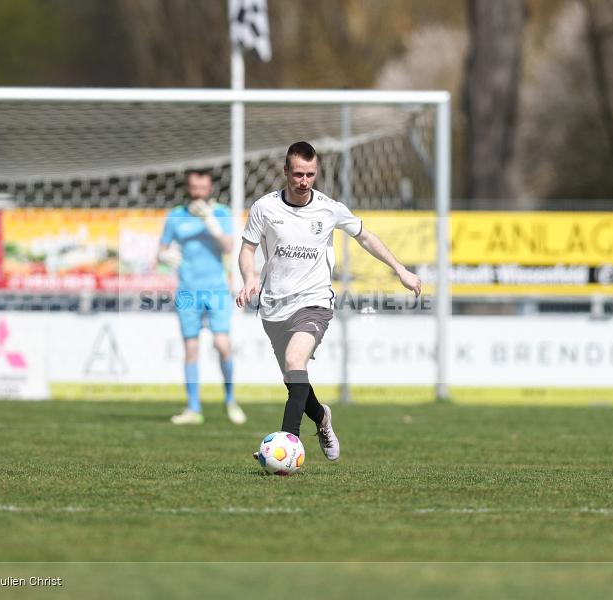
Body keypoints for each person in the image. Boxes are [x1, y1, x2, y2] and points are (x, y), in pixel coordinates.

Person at [236, 141, 421, 461]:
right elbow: (247, 249)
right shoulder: (264, 208)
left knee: (296, 361)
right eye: (297, 174)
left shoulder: (329, 207)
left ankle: (286, 445)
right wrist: (249, 278)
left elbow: (365, 236)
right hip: (274, 306)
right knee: (294, 378)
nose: (304, 181)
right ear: (285, 172)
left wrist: (399, 269)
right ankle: (322, 418)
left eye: (310, 174)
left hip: (315, 301)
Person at [158, 169, 247, 425]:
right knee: (191, 349)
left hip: (217, 289)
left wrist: (212, 224)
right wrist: (165, 257)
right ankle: (193, 408)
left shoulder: (221, 213)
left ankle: (230, 400)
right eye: (194, 187)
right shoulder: (176, 215)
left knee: (222, 345)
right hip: (187, 290)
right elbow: (161, 251)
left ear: (210, 189)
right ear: (189, 188)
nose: (199, 192)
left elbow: (230, 247)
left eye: (203, 188)